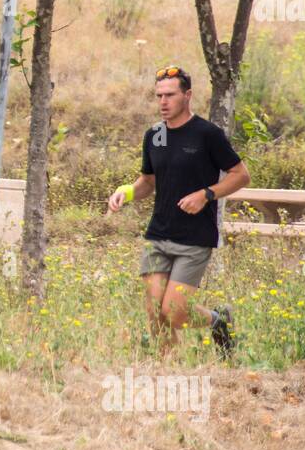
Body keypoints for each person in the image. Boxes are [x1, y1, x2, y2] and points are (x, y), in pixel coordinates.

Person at [107, 66, 251, 354]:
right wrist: (128, 192)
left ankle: (218, 320)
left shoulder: (207, 134)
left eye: (170, 95)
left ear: (188, 96)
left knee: (173, 311)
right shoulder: (153, 136)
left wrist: (206, 194)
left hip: (194, 238)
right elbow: (148, 181)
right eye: (159, 95)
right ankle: (165, 368)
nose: (163, 102)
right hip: (158, 235)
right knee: (154, 309)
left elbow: (240, 175)